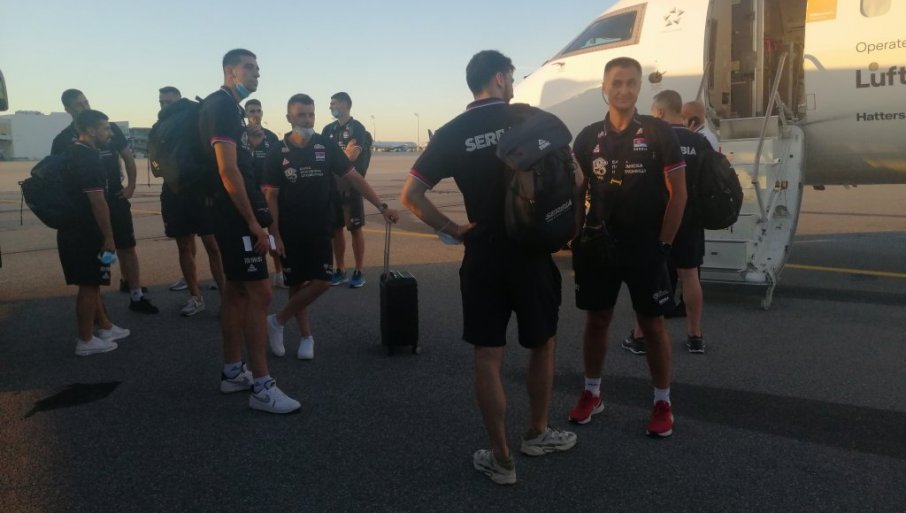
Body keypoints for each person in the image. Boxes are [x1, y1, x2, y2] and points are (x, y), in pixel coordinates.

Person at [400, 50, 577, 486]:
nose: (513, 84)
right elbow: (573, 178)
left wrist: (453, 229)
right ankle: (537, 433)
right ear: (500, 78)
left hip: (483, 253)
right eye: (511, 77)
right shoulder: (530, 119)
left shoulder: (451, 132)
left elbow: (410, 196)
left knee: (487, 355)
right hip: (531, 254)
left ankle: (501, 459)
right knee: (542, 345)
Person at [568, 57, 687, 437]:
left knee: (652, 325)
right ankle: (592, 393)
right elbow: (578, 193)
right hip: (598, 246)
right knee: (596, 321)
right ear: (605, 87)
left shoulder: (658, 132)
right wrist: (575, 238)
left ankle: (662, 401)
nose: (623, 90)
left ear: (640, 87)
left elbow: (679, 194)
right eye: (617, 83)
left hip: (645, 247)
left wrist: (664, 244)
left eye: (631, 83)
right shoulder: (587, 137)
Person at [198, 48, 299, 414]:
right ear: (230, 71)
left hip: (226, 212)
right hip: (234, 215)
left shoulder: (228, 108)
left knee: (237, 293)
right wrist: (253, 222)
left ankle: (232, 372)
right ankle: (262, 385)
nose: (257, 73)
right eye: (249, 67)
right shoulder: (223, 106)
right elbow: (228, 170)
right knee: (260, 294)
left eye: (258, 68)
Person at [263, 94, 398, 360]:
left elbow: (354, 178)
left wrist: (382, 206)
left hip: (320, 226)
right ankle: (306, 337)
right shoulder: (276, 152)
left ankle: (277, 320)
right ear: (289, 118)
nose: (307, 120)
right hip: (290, 229)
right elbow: (271, 197)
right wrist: (274, 234)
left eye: (311, 114)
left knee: (323, 281)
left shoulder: (325, 145)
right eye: (301, 115)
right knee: (297, 284)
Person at [51, 89, 159, 314]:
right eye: (79, 105)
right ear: (68, 110)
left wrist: (130, 186)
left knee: (126, 246)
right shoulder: (62, 140)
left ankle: (136, 294)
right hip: (88, 208)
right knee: (94, 256)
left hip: (115, 199)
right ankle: (98, 311)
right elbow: (58, 177)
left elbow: (128, 157)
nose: (85, 107)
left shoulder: (108, 128)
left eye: (86, 102)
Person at [623, 90, 709, 354]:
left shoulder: (653, 139)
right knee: (690, 275)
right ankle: (695, 336)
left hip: (659, 219)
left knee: (651, 276)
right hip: (691, 217)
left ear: (659, 112)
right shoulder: (700, 141)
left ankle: (640, 336)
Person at [58, 109, 131, 355]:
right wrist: (109, 237)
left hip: (74, 230)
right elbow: (98, 202)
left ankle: (104, 328)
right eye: (106, 128)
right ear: (91, 130)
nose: (110, 133)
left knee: (93, 283)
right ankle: (86, 340)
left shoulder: (73, 151)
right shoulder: (88, 158)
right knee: (89, 285)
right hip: (86, 233)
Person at [157, 86, 225, 316]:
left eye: (169, 101)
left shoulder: (196, 116)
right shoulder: (160, 127)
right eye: (162, 102)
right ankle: (196, 297)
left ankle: (227, 298)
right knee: (184, 246)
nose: (165, 106)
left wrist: (213, 189)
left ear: (180, 99)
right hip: (174, 192)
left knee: (213, 246)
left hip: (200, 191)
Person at [322, 92, 370, 288]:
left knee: (355, 229)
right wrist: (343, 153)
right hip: (332, 187)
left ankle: (358, 270)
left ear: (344, 104)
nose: (330, 107)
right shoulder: (327, 129)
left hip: (351, 187)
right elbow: (323, 157)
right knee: (336, 230)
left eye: (333, 103)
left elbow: (353, 156)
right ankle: (340, 269)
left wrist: (336, 156)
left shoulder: (357, 128)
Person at [244, 99, 285, 289]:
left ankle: (279, 272)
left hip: (268, 193)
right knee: (251, 235)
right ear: (246, 114)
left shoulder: (271, 137)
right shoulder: (240, 136)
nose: (255, 114)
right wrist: (252, 146)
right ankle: (253, 272)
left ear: (262, 113)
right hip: (249, 193)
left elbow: (279, 163)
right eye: (251, 111)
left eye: (258, 110)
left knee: (274, 232)